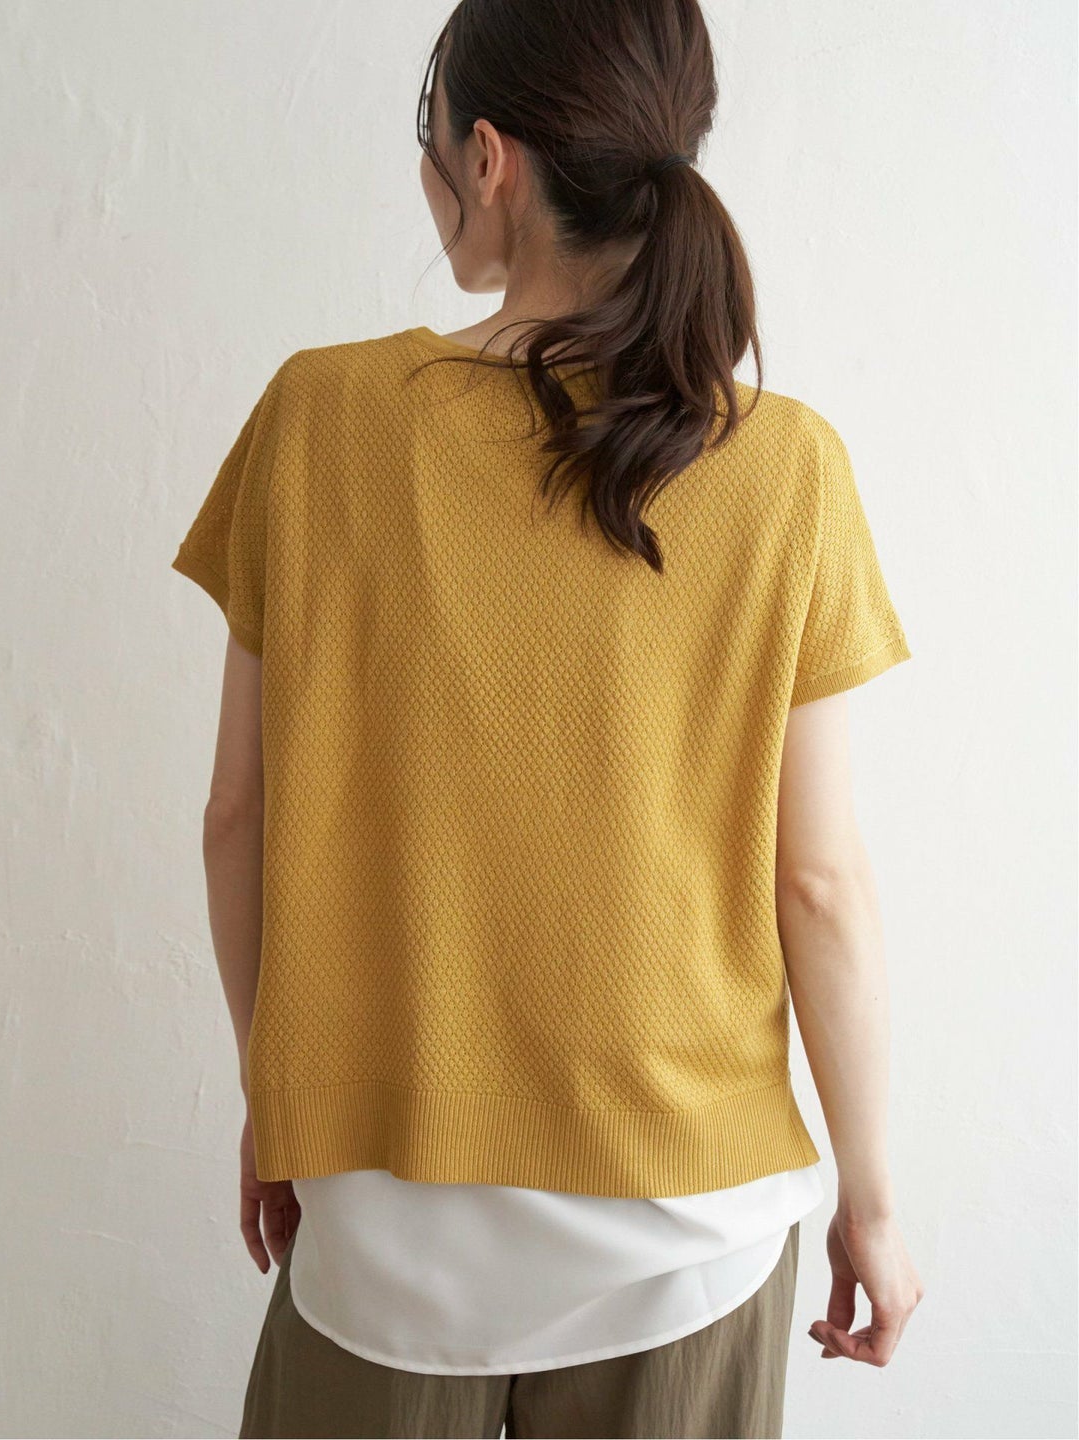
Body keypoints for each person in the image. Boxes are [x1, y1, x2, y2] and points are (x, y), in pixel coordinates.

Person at [170, 1, 925, 1435]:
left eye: (430, 144)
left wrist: (285, 1092)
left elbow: (235, 817)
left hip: (388, 1225)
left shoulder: (319, 420)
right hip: (688, 1231)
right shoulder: (789, 467)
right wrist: (873, 1206)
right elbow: (820, 882)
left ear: (489, 158)